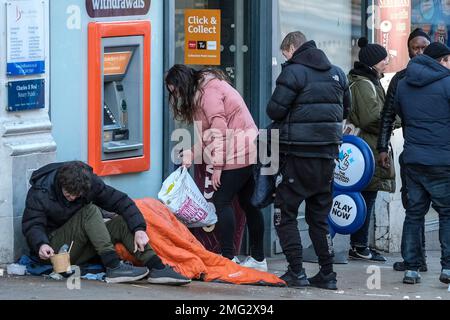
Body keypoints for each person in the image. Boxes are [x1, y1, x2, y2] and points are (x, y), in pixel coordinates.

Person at [267, 31, 351, 290]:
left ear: (293, 47)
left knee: (284, 212)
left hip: (298, 154)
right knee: (319, 218)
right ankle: (327, 274)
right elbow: (346, 110)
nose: (286, 58)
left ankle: (296, 272)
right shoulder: (337, 72)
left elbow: (274, 110)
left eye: (285, 53)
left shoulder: (293, 72)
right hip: (328, 156)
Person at [165, 64, 267, 272]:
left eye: (175, 91)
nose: (175, 97)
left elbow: (219, 132)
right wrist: (192, 154)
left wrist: (218, 166)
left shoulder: (208, 94)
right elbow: (208, 134)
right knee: (249, 203)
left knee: (222, 201)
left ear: (183, 84)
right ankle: (258, 258)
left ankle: (228, 258)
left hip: (237, 152)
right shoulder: (206, 88)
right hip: (248, 148)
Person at [22, 161, 191, 285]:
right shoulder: (41, 192)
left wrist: (139, 229)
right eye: (68, 195)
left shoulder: (90, 184)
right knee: (90, 211)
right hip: (55, 252)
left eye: (77, 195)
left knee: (122, 222)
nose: (73, 198)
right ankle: (113, 267)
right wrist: (41, 244)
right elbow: (32, 224)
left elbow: (121, 202)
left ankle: (157, 268)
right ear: (60, 184)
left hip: (80, 246)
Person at [394, 42, 450, 285]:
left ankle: (411, 269)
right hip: (442, 160)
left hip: (413, 158)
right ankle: (448, 268)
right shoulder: (447, 83)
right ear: (439, 61)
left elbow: (401, 116)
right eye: (447, 59)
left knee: (414, 214)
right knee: (447, 214)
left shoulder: (403, 83)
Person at [377, 28, 431, 272]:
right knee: (414, 206)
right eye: (415, 48)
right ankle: (416, 260)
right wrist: (382, 147)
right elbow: (387, 115)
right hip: (412, 151)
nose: (419, 52)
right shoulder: (400, 79)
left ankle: (444, 265)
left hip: (438, 153)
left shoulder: (442, 77)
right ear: (408, 49)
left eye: (423, 47)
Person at [346, 37, 395, 262]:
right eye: (384, 59)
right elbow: (372, 118)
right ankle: (359, 245)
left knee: (368, 195)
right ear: (374, 62)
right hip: (367, 148)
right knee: (366, 196)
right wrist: (397, 119)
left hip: (368, 147)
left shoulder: (369, 81)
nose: (387, 62)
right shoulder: (364, 85)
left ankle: (360, 244)